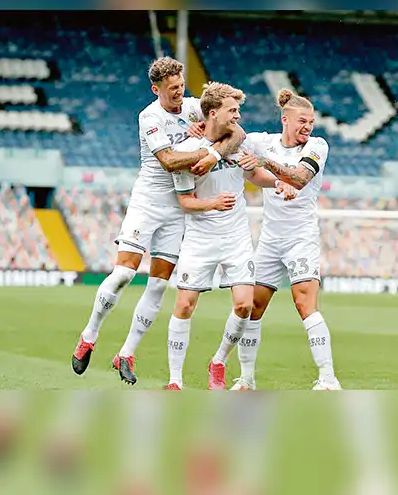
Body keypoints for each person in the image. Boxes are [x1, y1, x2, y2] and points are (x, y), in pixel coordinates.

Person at [71, 57, 243, 384]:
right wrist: (206, 147)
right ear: (156, 89)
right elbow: (168, 160)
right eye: (172, 89)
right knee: (123, 274)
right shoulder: (149, 117)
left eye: (181, 86)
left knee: (160, 283)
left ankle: (126, 352)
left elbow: (238, 131)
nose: (179, 93)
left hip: (179, 208)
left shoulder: (195, 107)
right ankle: (89, 335)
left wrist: (215, 149)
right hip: (148, 202)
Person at [165, 82, 294, 390]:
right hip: (200, 238)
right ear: (213, 113)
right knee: (184, 305)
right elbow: (185, 201)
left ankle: (219, 360)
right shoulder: (185, 153)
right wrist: (213, 203)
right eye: (232, 110)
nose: (238, 116)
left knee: (244, 306)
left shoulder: (241, 143)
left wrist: (276, 182)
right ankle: (175, 381)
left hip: (235, 237)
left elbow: (255, 176)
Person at [211, 88, 341, 390]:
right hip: (270, 239)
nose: (307, 127)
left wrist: (263, 162)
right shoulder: (264, 141)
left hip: (301, 237)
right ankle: (246, 379)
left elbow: (298, 178)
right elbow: (229, 131)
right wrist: (199, 125)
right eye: (302, 121)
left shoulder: (317, 146)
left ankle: (328, 378)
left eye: (311, 122)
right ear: (285, 119)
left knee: (304, 303)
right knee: (252, 308)